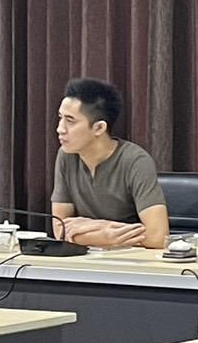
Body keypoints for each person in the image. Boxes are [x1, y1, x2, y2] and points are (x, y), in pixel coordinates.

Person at [50, 78, 168, 249]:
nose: (60, 129)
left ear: (99, 128)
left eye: (70, 121)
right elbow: (59, 229)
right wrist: (103, 234)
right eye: (60, 118)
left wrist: (101, 230)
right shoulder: (66, 155)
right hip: (87, 259)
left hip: (131, 259)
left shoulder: (136, 161)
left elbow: (158, 237)